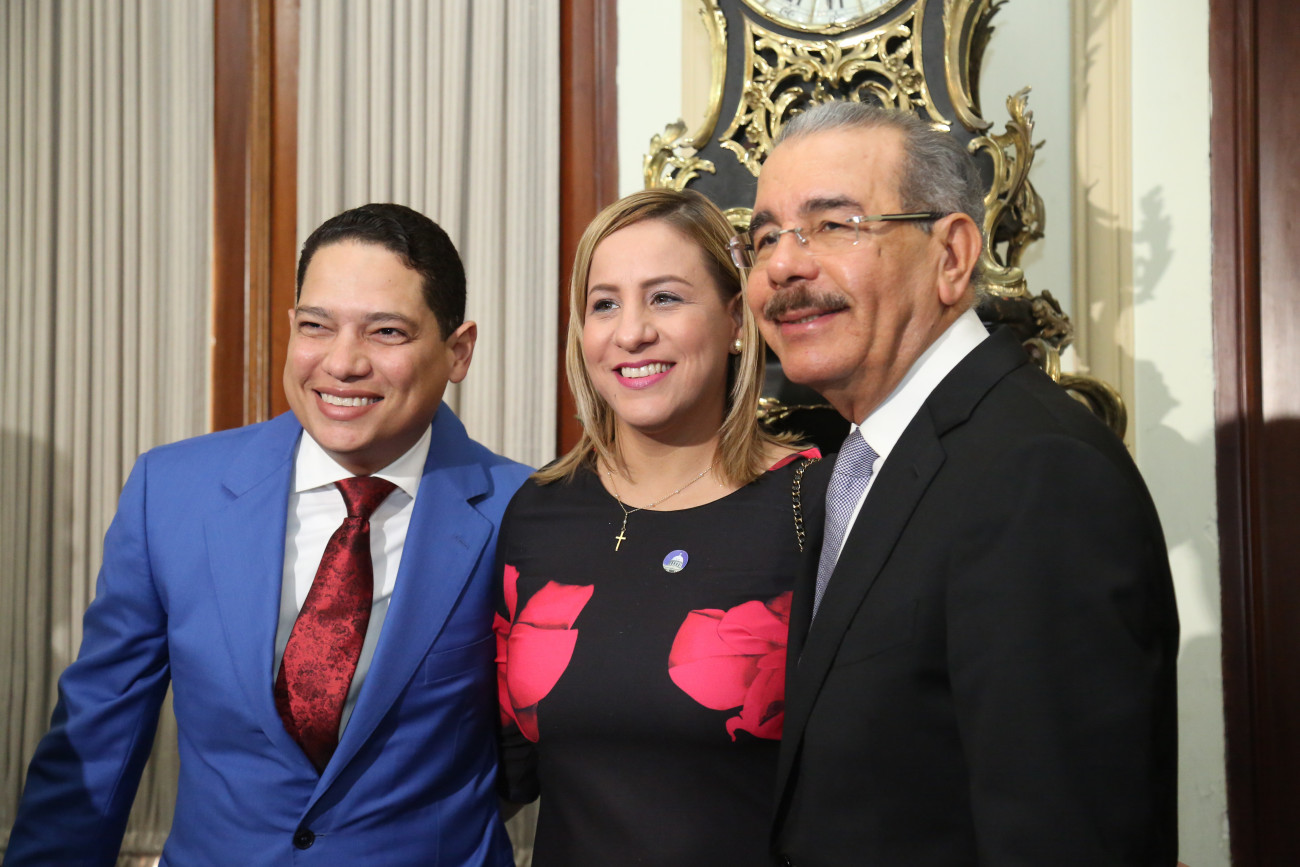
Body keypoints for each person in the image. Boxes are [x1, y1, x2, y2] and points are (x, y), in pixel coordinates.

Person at [4, 204, 531, 866]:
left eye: (386, 332)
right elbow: (97, 739)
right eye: (316, 326)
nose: (342, 362)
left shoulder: (525, 511)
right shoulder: (172, 492)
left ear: (458, 351)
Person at [733, 101, 1180, 865]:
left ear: (952, 254)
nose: (782, 266)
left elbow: (1062, 834)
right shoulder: (861, 462)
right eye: (766, 236)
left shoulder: (1038, 473)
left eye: (833, 224)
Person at [493, 189, 821, 865]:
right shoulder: (537, 509)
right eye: (604, 304)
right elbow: (502, 766)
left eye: (665, 298)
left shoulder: (814, 503)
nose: (631, 332)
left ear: (736, 320)